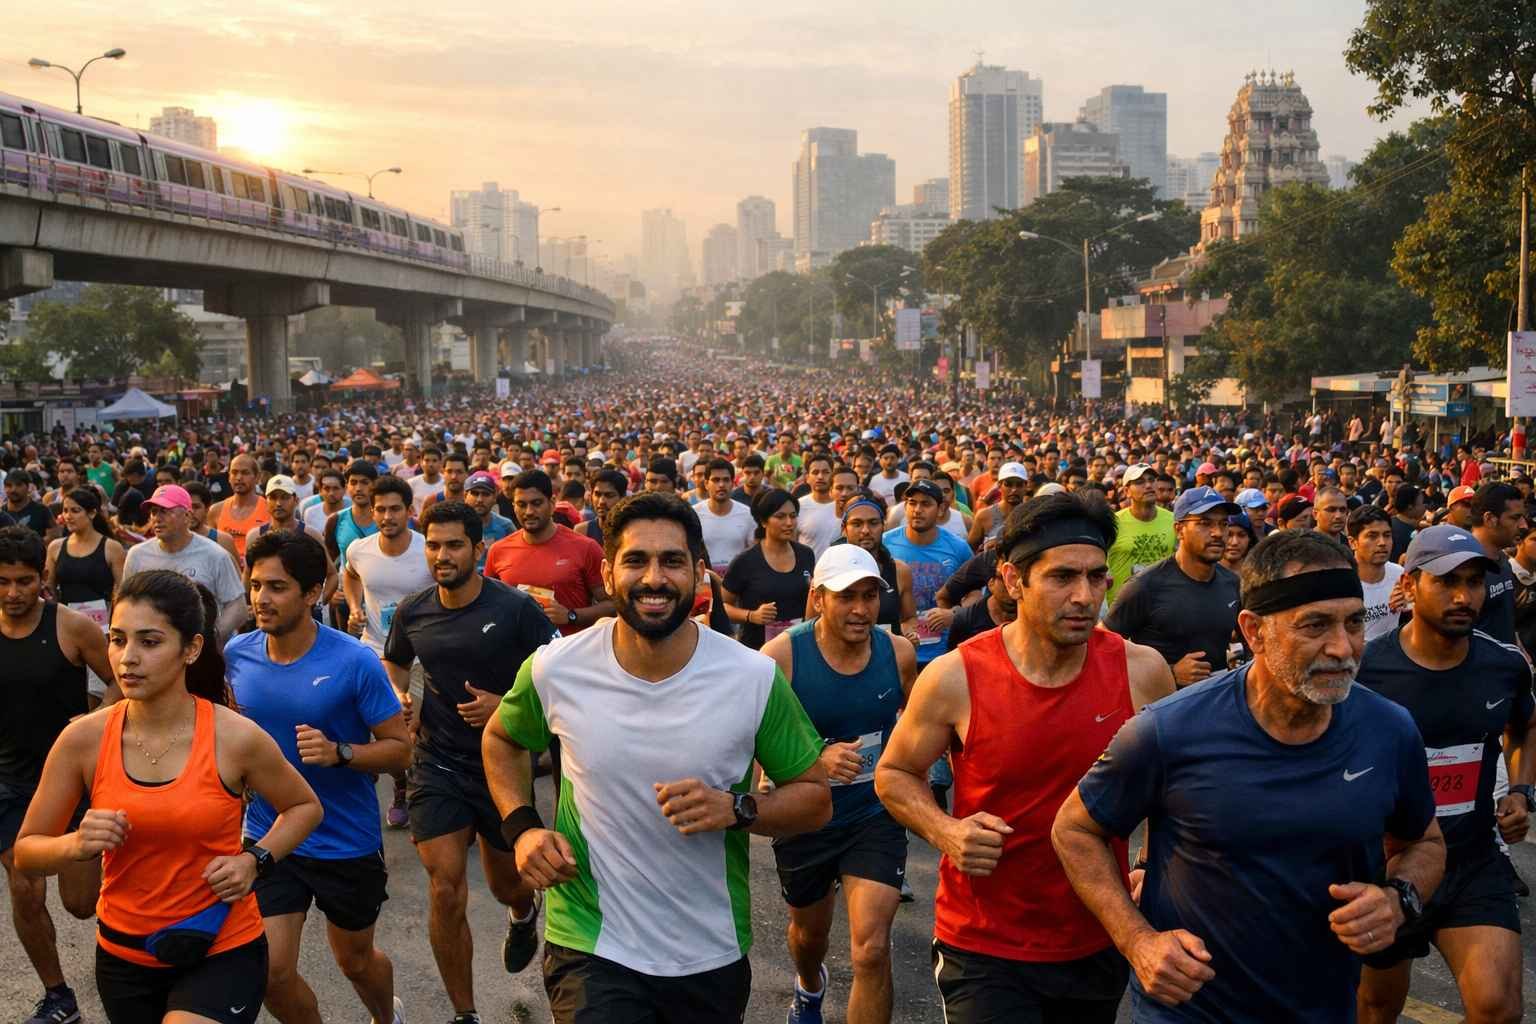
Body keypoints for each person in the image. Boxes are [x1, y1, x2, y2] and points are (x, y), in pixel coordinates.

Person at [1052, 529, 1446, 1023]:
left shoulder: (1389, 730)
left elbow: (1424, 843)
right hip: (1189, 1011)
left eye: (1353, 623)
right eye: (1315, 625)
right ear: (1254, 631)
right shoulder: (1169, 729)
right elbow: (1074, 828)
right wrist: (1138, 942)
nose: (1343, 648)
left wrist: (1399, 898)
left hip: (1323, 1009)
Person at [482, 491, 831, 1021]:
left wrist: (738, 810)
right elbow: (502, 740)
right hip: (591, 943)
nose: (653, 579)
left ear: (698, 572)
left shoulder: (752, 677)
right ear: (608, 570)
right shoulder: (556, 668)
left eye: (671, 561)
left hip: (708, 949)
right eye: (635, 561)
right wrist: (523, 827)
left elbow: (815, 799)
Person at [876, 493, 1174, 1023]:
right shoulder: (955, 676)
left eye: (1097, 577)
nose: (1085, 596)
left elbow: (1172, 790)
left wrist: (1150, 860)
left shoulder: (1141, 671)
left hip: (1097, 933)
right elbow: (895, 773)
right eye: (1062, 577)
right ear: (1014, 581)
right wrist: (945, 831)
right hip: (984, 944)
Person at [15, 569, 323, 1024]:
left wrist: (253, 860)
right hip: (124, 954)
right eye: (117, 640)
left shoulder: (233, 737)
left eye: (150, 642)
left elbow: (304, 807)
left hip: (221, 944)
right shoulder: (83, 740)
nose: (127, 658)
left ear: (191, 649)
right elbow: (26, 851)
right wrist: (76, 845)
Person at [1354, 525, 1535, 1024]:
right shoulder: (1366, 673)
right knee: (1376, 1008)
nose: (1464, 596)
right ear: (1410, 585)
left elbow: (1524, 727)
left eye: (1474, 582)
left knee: (1499, 1009)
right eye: (1446, 581)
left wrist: (1520, 790)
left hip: (1472, 860)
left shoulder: (1503, 665)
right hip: (1388, 868)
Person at [228, 531, 411, 1024]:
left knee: (355, 961)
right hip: (273, 835)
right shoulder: (236, 656)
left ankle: (385, 1017)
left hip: (345, 840)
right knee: (270, 971)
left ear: (312, 593)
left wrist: (341, 752)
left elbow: (401, 752)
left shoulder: (354, 661)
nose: (261, 599)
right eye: (256, 585)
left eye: (277, 587)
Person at [385, 502, 554, 1023]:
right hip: (436, 763)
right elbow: (395, 660)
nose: (441, 555)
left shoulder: (515, 609)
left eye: (454, 545)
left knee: (507, 882)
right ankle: (466, 1014)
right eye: (433, 545)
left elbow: (560, 678)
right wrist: (400, 696)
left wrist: (504, 706)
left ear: (478, 550)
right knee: (445, 885)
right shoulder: (413, 610)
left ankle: (523, 912)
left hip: (501, 767)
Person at [761, 545, 918, 1024]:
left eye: (870, 596)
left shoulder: (898, 653)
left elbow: (921, 724)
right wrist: (812, 759)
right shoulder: (781, 657)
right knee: (810, 937)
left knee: (871, 949)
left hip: (875, 815)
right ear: (817, 599)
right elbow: (748, 739)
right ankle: (809, 987)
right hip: (806, 816)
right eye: (846, 596)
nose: (860, 609)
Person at [0, 527, 115, 1024]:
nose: (12, 592)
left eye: (24, 581)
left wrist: (94, 723)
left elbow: (120, 681)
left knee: (80, 904)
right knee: (24, 889)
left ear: (43, 579)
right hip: (9, 782)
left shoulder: (71, 627)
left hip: (73, 785)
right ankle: (59, 997)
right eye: (3, 581)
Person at [1106, 485, 1242, 688]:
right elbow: (1102, 651)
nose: (1217, 533)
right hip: (1159, 709)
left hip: (1215, 705)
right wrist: (1169, 672)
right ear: (1179, 530)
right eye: (1205, 523)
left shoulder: (1232, 583)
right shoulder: (1145, 586)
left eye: (1223, 524)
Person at [483, 469, 611, 635]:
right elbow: (487, 603)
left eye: (536, 503)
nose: (529, 512)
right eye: (521, 505)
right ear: (513, 506)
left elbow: (614, 605)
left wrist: (571, 616)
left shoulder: (585, 547)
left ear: (552, 503)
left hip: (569, 653)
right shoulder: (498, 551)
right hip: (516, 654)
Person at [124, 485, 247, 639]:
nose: (157, 518)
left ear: (187, 516)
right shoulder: (137, 555)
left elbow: (238, 607)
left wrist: (212, 637)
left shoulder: (215, 555)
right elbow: (127, 603)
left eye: (165, 511)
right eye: (154, 512)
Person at [46, 487, 126, 700]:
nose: (68, 516)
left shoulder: (111, 548)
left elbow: (123, 589)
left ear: (91, 513)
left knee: (100, 690)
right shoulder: (55, 548)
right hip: (65, 625)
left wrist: (114, 627)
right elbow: (49, 588)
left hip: (103, 628)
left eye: (75, 510)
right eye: (65, 510)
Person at [883, 480, 973, 661]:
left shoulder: (958, 548)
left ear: (941, 509)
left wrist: (954, 614)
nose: (917, 509)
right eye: (912, 503)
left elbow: (975, 592)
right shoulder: (885, 543)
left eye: (925, 504)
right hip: (896, 649)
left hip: (943, 652)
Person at [723, 488, 818, 649]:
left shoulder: (806, 554)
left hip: (798, 647)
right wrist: (751, 615)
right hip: (757, 650)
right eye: (780, 516)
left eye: (793, 516)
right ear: (764, 521)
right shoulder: (745, 561)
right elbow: (723, 606)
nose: (789, 523)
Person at [1104, 465, 1174, 608]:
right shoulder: (1112, 523)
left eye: (1152, 480)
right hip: (1122, 608)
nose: (1148, 485)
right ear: (1126, 491)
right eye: (1140, 482)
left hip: (1162, 605)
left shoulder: (1173, 520)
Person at [1349, 506, 1408, 644]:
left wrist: (1410, 604)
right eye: (1372, 536)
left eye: (1387, 535)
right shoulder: (1342, 582)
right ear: (1353, 542)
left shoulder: (1399, 574)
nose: (1382, 543)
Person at [693, 459, 757, 574]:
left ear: (732, 483)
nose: (721, 485)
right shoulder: (694, 514)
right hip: (704, 581)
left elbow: (754, 551)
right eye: (716, 480)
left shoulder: (747, 514)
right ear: (706, 484)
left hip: (738, 581)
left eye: (726, 480)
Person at [208, 454, 271, 565]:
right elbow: (208, 550)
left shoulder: (269, 510)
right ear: (229, 477)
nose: (239, 477)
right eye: (234, 472)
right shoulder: (216, 510)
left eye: (245, 473)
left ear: (257, 477)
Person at [945, 552, 1016, 650]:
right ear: (991, 583)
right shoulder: (966, 621)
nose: (1011, 588)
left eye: (1017, 580)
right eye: (1004, 580)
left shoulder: (1033, 618)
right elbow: (943, 595)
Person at [462, 471, 516, 571]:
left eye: (485, 494)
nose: (479, 499)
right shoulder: (456, 526)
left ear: (495, 497)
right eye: (475, 493)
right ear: (465, 496)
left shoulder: (506, 526)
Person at [184, 481, 243, 571]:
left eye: (196, 507)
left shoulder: (223, 541)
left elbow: (236, 580)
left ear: (207, 509)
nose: (191, 512)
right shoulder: (170, 540)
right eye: (186, 507)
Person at [796, 453, 843, 556]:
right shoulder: (798, 506)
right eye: (815, 472)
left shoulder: (842, 505)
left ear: (833, 476)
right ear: (807, 477)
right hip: (808, 569)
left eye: (826, 472)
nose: (820, 477)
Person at [573, 468, 626, 549]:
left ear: (622, 498)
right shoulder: (582, 531)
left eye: (609, 495)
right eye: (597, 494)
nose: (601, 501)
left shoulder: (630, 531)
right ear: (591, 496)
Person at [5, 470, 56, 536]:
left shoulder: (42, 510)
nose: (13, 489)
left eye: (18, 485)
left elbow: (53, 536)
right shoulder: (2, 513)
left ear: (28, 487)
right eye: (9, 485)